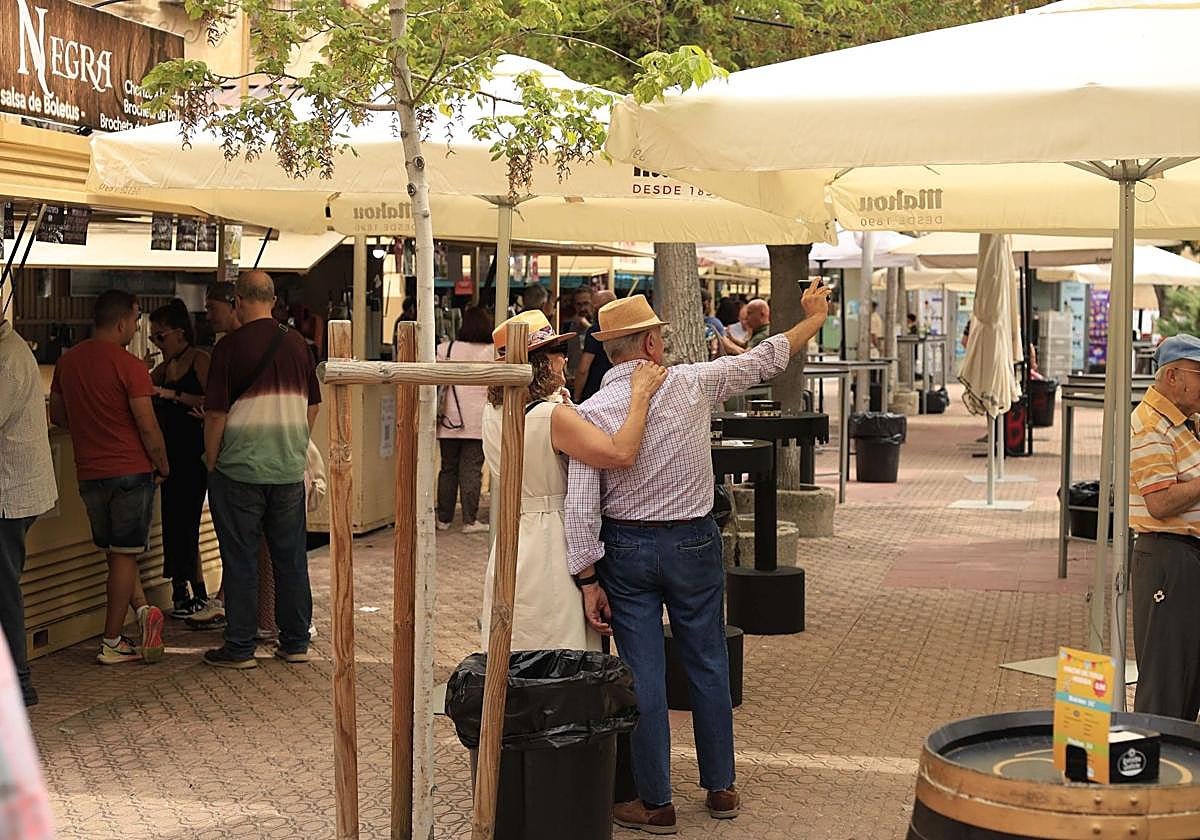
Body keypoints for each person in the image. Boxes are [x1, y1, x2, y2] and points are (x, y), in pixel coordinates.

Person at [565, 282, 831, 832]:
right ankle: (721, 788)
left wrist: (587, 575)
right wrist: (813, 318)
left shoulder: (591, 410)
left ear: (613, 352)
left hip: (626, 546)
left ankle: (656, 801)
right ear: (653, 347)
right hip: (692, 542)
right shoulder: (693, 382)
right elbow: (766, 359)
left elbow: (582, 505)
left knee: (643, 673)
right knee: (708, 661)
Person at [480, 310, 666, 651]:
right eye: (556, 353)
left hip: (514, 532)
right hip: (554, 539)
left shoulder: (494, 411)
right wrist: (640, 396)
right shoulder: (554, 416)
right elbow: (620, 452)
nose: (564, 359)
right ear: (540, 363)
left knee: (520, 639)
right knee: (562, 643)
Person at [202, 271, 321, 669]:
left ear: (237, 301)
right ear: (272, 299)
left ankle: (239, 647)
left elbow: (216, 414)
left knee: (240, 560)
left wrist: (213, 459)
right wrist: (296, 444)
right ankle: (295, 642)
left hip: (238, 469)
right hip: (287, 468)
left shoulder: (228, 348)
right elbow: (313, 405)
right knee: (291, 560)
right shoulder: (299, 346)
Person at [50, 290, 167, 665]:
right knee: (125, 552)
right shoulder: (130, 366)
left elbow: (59, 417)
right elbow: (148, 427)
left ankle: (143, 609)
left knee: (116, 554)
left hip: (89, 473)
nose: (136, 328)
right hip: (131, 470)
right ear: (122, 322)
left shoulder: (67, 363)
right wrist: (163, 464)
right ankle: (112, 641)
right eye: (135, 321)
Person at [1129, 334, 1200, 720]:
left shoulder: (1184, 421)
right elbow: (1160, 502)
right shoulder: (1150, 425)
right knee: (1167, 687)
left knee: (1186, 681)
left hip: (1183, 559)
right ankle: (1154, 773)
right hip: (1169, 558)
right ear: (1172, 376)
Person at [0, 317, 57, 705]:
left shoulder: (6, 359)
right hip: (16, 490)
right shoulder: (12, 348)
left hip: (9, 494)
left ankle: (19, 682)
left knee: (4, 589)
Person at [149, 301, 212, 619]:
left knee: (186, 521)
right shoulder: (160, 370)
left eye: (160, 337)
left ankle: (195, 589)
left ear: (180, 333)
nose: (157, 345)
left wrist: (168, 394)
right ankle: (181, 588)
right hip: (170, 455)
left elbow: (212, 401)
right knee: (174, 522)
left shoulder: (198, 361)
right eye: (152, 340)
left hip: (194, 453)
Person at [436, 306, 493, 534]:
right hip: (478, 419)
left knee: (448, 468)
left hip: (449, 418)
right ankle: (470, 520)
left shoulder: (445, 348)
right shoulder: (492, 352)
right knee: (471, 469)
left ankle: (444, 518)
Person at [574, 290, 618, 404]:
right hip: (615, 389)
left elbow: (583, 369)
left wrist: (576, 397)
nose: (590, 310)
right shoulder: (622, 328)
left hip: (594, 393)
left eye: (592, 307)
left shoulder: (596, 330)